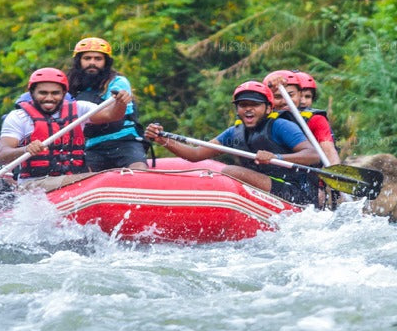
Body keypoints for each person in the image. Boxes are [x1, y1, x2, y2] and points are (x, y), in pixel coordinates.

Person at [143, 81, 320, 206]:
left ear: (268, 108)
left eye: (255, 105)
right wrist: (164, 141)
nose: (248, 109)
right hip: (269, 188)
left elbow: (312, 154)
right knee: (224, 173)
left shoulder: (281, 126)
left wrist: (277, 157)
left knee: (229, 171)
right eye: (243, 105)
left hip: (296, 191)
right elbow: (196, 155)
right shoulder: (233, 133)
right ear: (237, 109)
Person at [0, 67, 131, 183]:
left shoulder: (79, 109)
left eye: (55, 93)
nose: (49, 98)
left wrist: (121, 103)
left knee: (96, 179)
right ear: (32, 93)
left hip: (74, 179)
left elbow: (112, 115)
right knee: (98, 179)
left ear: (64, 94)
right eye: (43, 93)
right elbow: (2, 155)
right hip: (35, 183)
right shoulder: (19, 117)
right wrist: (26, 149)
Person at [68, 36, 148, 170]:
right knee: (81, 178)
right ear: (79, 61)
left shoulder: (117, 82)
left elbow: (114, 115)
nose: (92, 63)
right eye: (87, 58)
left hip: (124, 141)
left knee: (138, 169)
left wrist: (120, 102)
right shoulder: (71, 87)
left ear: (106, 62)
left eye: (98, 59)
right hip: (93, 145)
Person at [263, 70, 342, 166]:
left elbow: (329, 152)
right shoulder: (259, 119)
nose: (284, 101)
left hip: (307, 176)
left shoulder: (315, 120)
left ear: (299, 95)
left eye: (290, 95)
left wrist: (334, 171)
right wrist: (270, 82)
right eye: (277, 97)